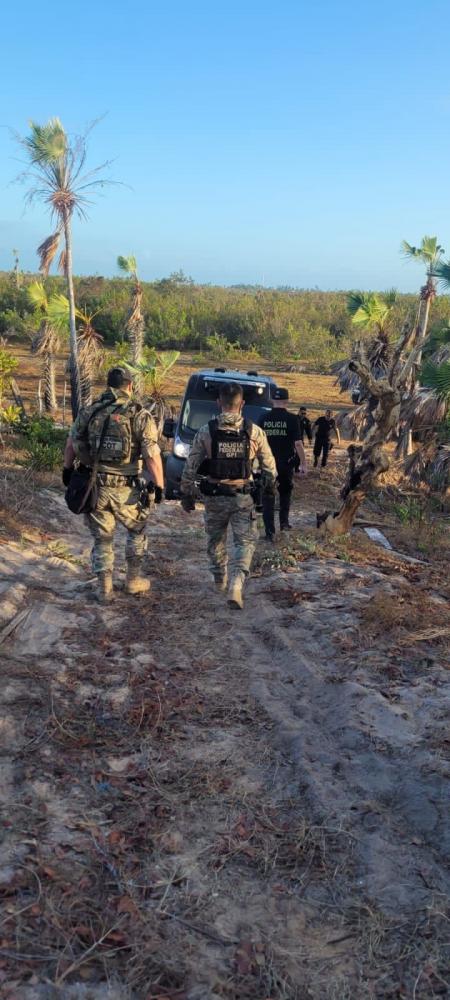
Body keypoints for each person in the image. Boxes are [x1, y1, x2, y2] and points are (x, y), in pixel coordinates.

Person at [63, 367, 164, 604]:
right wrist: (159, 486)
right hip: (127, 490)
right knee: (137, 531)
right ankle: (132, 581)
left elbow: (71, 444)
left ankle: (104, 589)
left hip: (94, 487)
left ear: (108, 385)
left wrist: (67, 470)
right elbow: (151, 455)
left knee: (102, 539)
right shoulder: (139, 415)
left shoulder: (90, 411)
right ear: (129, 386)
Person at [179, 381, 276, 610]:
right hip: (243, 497)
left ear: (218, 403)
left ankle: (219, 580)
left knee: (216, 540)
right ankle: (236, 583)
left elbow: (190, 468)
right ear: (242, 404)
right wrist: (269, 491)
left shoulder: (206, 431)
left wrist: (187, 495)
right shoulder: (254, 432)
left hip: (214, 496)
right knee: (245, 542)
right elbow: (270, 469)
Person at [259, 387, 307, 540]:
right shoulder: (293, 419)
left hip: (267, 464)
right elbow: (298, 444)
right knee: (285, 493)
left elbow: (257, 443)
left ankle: (269, 532)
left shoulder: (263, 418)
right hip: (286, 464)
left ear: (272, 400)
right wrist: (303, 464)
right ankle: (284, 524)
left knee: (268, 497)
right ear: (287, 401)